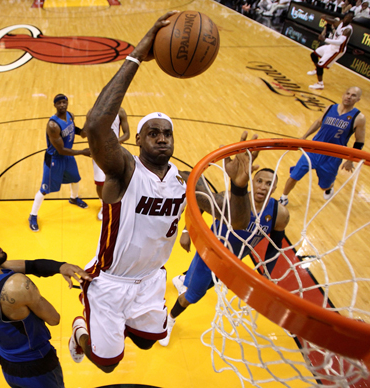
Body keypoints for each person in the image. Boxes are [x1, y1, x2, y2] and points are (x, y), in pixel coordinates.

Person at [67, 12, 258, 373]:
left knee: (144, 340)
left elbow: (237, 223)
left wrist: (238, 186)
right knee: (106, 363)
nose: (161, 137)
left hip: (152, 279)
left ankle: (119, 326)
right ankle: (82, 327)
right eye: (152, 132)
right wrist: (138, 54)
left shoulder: (188, 180)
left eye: (167, 133)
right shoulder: (123, 170)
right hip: (110, 281)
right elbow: (94, 124)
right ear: (137, 139)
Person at [159, 168, 290, 346]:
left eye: (269, 184)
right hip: (210, 254)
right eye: (259, 181)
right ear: (252, 182)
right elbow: (201, 204)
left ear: (275, 187)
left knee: (208, 284)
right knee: (192, 296)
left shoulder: (279, 214)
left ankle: (183, 278)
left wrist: (266, 273)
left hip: (232, 261)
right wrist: (186, 231)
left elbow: (275, 246)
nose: (263, 187)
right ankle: (169, 321)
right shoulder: (230, 199)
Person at [0, 235, 92, 388]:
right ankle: (79, 334)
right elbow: (54, 319)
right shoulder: (16, 285)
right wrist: (31, 295)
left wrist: (60, 266)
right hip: (37, 363)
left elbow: (31, 266)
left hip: (7, 361)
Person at [279, 86, 366, 205]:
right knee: (294, 176)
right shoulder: (330, 108)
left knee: (324, 186)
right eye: (347, 93)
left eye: (353, 95)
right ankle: (283, 197)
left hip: (332, 156)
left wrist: (350, 160)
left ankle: (329, 187)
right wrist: (304, 137)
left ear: (358, 100)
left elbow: (359, 141)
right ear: (343, 94)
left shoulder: (359, 118)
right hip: (313, 150)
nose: (349, 97)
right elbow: (318, 122)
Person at [28, 94, 91, 232]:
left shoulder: (70, 115)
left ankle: (73, 198)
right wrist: (82, 152)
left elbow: (76, 131)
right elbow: (61, 150)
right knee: (45, 189)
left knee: (75, 179)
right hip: (55, 158)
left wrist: (87, 125)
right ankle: (32, 215)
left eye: (64, 102)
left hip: (67, 156)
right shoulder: (52, 125)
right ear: (54, 105)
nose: (62, 105)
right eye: (59, 103)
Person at [91, 106, 130, 220]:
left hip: (115, 152)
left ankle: (117, 205)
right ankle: (104, 206)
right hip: (99, 151)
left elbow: (127, 134)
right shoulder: (95, 111)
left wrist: (111, 142)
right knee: (100, 183)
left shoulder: (121, 111)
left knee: (117, 181)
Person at [307, 12, 354, 90]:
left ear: (351, 20)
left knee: (320, 66)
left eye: (349, 18)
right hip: (331, 46)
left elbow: (340, 42)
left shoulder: (348, 29)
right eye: (346, 17)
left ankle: (320, 84)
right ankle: (316, 70)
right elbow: (334, 22)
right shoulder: (341, 23)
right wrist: (325, 18)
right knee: (313, 54)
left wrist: (325, 39)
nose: (346, 19)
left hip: (337, 50)